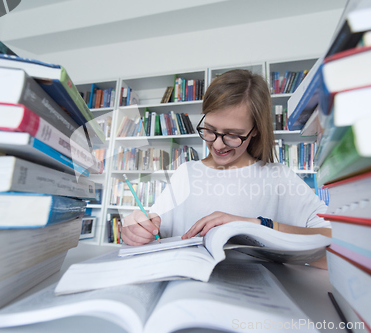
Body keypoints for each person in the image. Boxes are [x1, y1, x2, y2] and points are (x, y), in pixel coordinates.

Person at [121, 69, 331, 266]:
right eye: (210, 130)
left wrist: (254, 225)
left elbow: (332, 235)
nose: (218, 144)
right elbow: (153, 230)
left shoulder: (278, 177)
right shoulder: (186, 172)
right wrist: (135, 230)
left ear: (255, 130)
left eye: (232, 135)